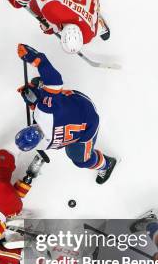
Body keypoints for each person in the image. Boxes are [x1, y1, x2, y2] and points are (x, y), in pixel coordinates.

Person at [15, 44, 117, 184]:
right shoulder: (43, 114)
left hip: (83, 112)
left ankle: (107, 164)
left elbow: (54, 85)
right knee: (78, 159)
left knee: (82, 160)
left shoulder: (42, 143)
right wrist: (35, 58)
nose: (35, 130)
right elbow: (55, 82)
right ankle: (44, 90)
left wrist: (33, 100)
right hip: (84, 117)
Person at [6, 0, 110, 54]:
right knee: (33, 6)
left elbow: (66, 18)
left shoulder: (88, 37)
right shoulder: (51, 9)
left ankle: (100, 22)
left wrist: (54, 27)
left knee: (93, 14)